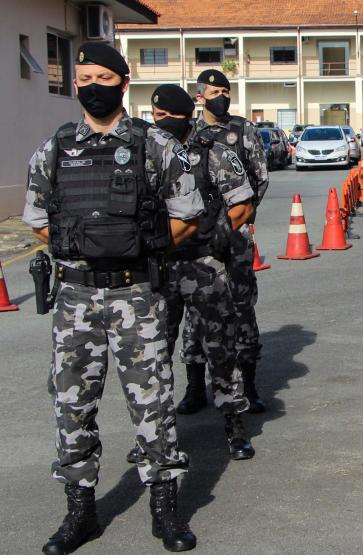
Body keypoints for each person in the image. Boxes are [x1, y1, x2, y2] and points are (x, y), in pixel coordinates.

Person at [23, 43, 198, 553]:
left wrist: (142, 246)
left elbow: (186, 216)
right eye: (83, 78)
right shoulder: (54, 147)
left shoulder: (156, 145)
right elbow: (38, 221)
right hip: (75, 298)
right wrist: (81, 248)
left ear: (123, 84)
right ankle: (80, 512)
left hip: (136, 294)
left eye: (103, 77)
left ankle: (164, 509)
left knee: (153, 405)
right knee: (71, 405)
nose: (92, 86)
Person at [142, 84, 256, 461]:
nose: (161, 124)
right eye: (156, 117)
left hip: (204, 263)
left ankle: (235, 426)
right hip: (161, 264)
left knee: (221, 348)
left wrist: (220, 236)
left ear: (187, 114)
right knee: (153, 351)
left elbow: (242, 201)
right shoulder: (146, 153)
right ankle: (154, 435)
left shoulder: (214, 151)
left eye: (168, 117)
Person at [178, 69, 270, 415]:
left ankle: (249, 385)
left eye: (227, 90)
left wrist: (236, 221)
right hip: (195, 241)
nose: (223, 96)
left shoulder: (242, 129)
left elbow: (259, 180)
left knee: (242, 306)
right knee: (195, 313)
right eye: (216, 90)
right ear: (200, 95)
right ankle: (194, 387)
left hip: (236, 236)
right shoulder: (189, 133)